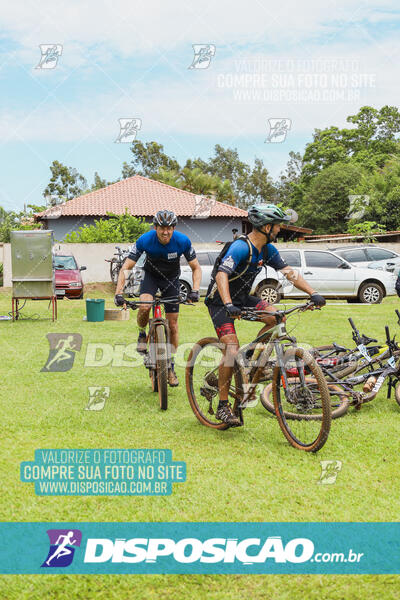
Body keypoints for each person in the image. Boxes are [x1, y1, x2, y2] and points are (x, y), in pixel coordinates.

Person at [205, 203, 326, 427]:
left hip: (242, 299)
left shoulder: (268, 250)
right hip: (221, 301)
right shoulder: (241, 248)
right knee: (230, 348)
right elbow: (222, 275)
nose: (280, 229)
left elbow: (290, 273)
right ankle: (222, 406)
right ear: (266, 226)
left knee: (276, 317)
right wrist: (229, 304)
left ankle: (249, 359)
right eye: (278, 226)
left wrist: (313, 292)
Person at [115, 210, 202, 387]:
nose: (165, 232)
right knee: (145, 306)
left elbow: (196, 268)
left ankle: (169, 366)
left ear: (173, 228)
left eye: (169, 228)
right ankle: (141, 332)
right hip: (151, 278)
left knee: (173, 325)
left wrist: (195, 290)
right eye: (162, 228)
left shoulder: (182, 241)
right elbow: (127, 266)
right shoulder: (145, 240)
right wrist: (118, 292)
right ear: (155, 227)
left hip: (171, 280)